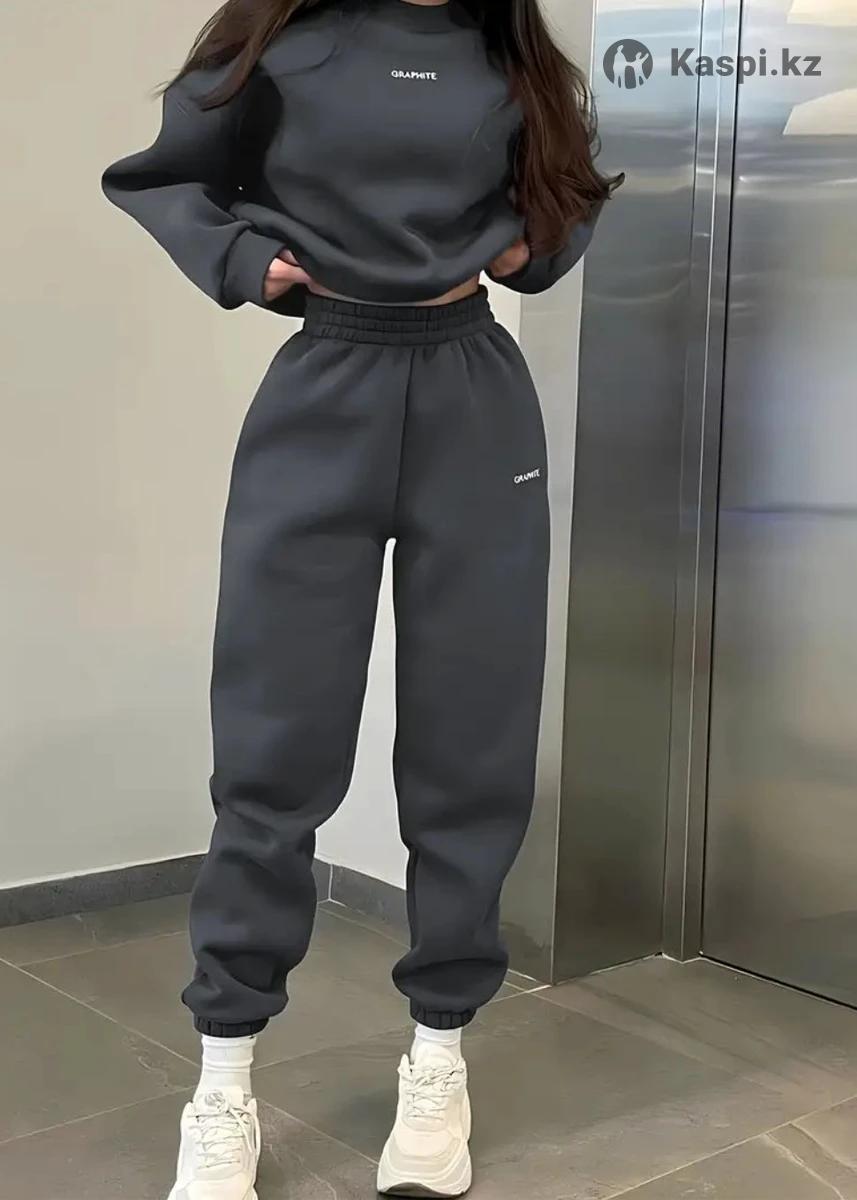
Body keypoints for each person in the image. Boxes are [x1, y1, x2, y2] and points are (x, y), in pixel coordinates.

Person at [102, 0, 619, 1195]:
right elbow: (161, 174)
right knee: (272, 745)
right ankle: (222, 1080)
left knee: (471, 741)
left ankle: (438, 1058)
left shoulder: (512, 55)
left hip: (475, 400)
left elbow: (569, 193)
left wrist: (530, 245)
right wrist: (243, 261)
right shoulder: (283, 42)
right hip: (322, 390)